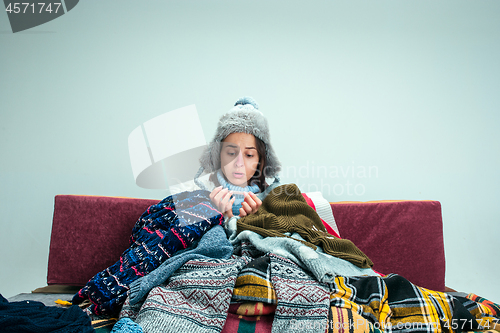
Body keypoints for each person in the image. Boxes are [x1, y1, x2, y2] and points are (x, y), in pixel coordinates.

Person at [192, 96, 281, 219]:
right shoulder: (196, 193)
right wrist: (216, 215)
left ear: (260, 160)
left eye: (249, 155)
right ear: (218, 155)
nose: (239, 163)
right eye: (231, 153)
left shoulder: (273, 201)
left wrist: (254, 220)